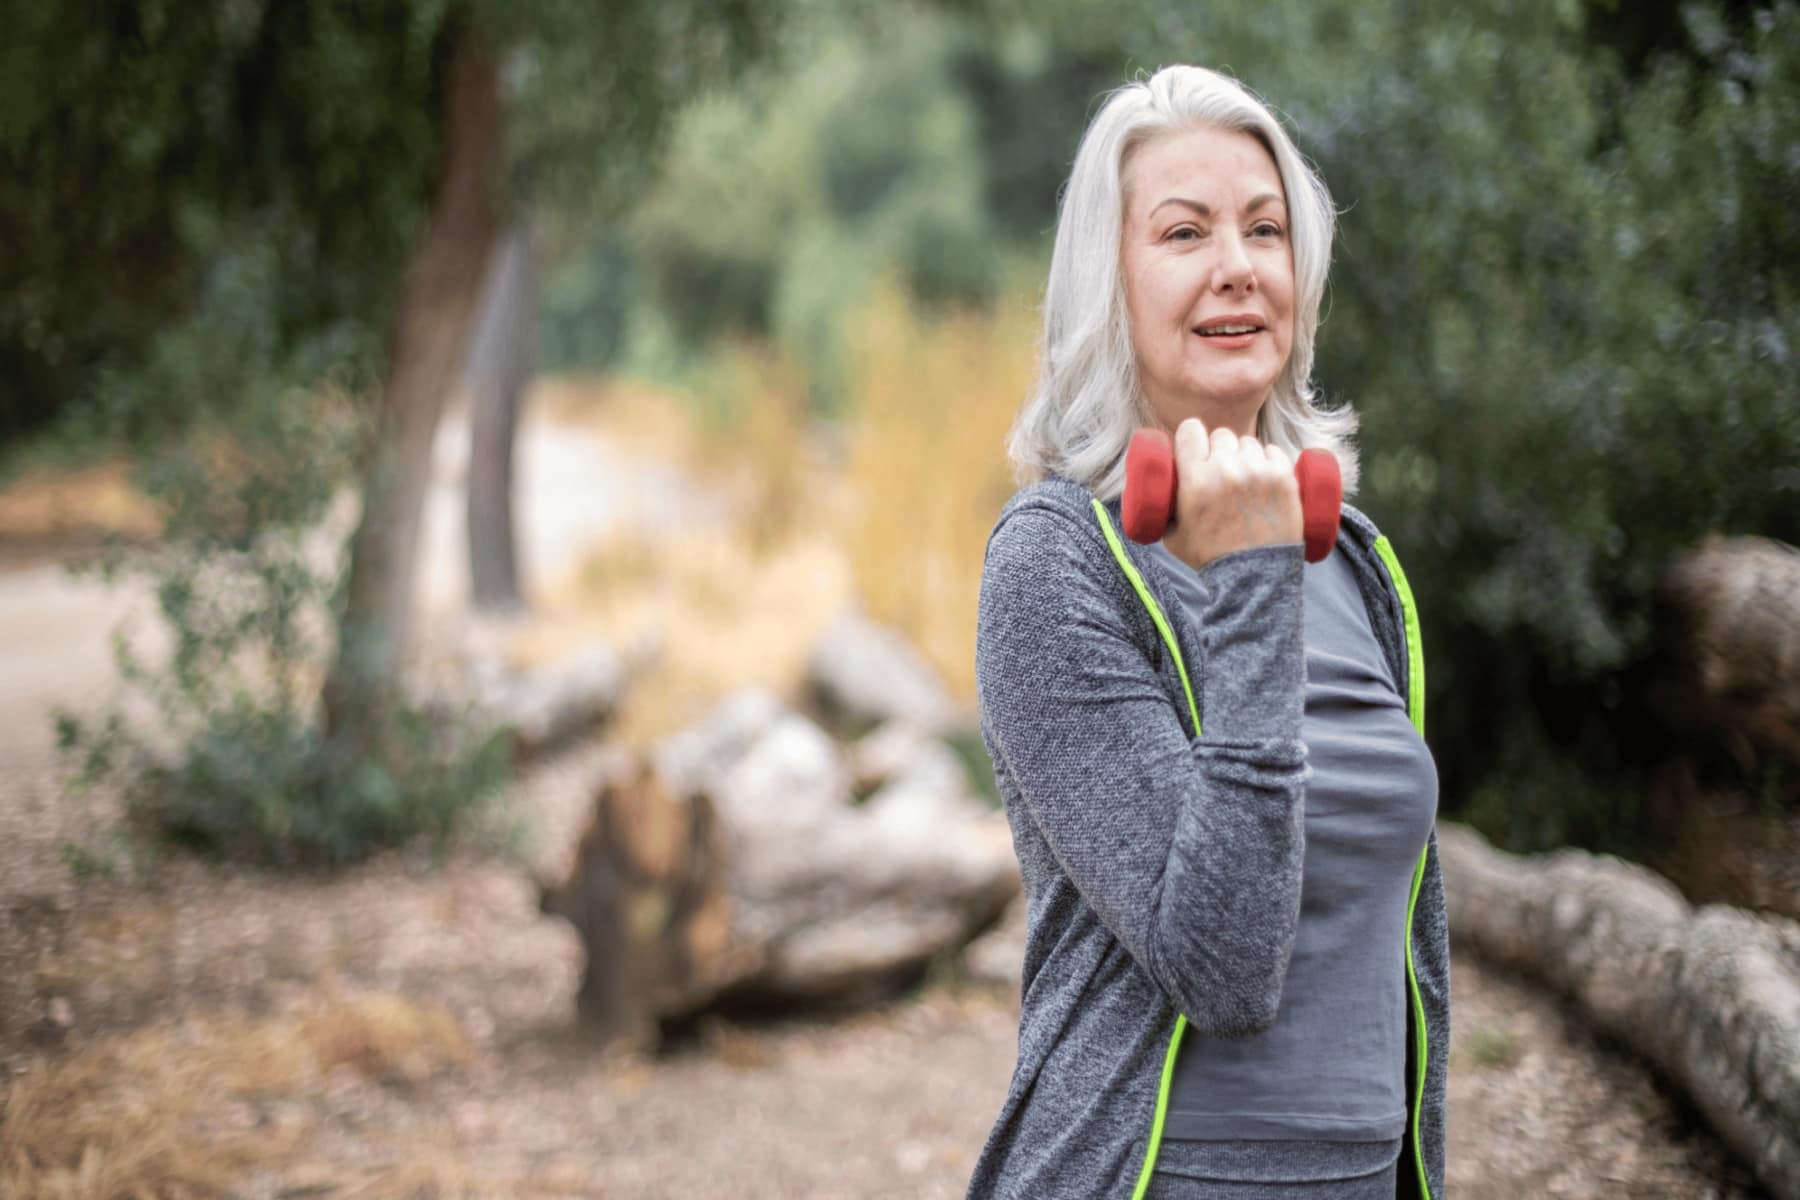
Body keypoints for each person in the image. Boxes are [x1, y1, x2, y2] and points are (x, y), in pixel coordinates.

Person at [968, 65, 1450, 1199]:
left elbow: (1404, 967)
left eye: (1265, 229)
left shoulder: (1360, 563)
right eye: (1183, 232)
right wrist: (1247, 583)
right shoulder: (1054, 562)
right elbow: (1224, 969)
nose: (1237, 264)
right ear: (1109, 282)